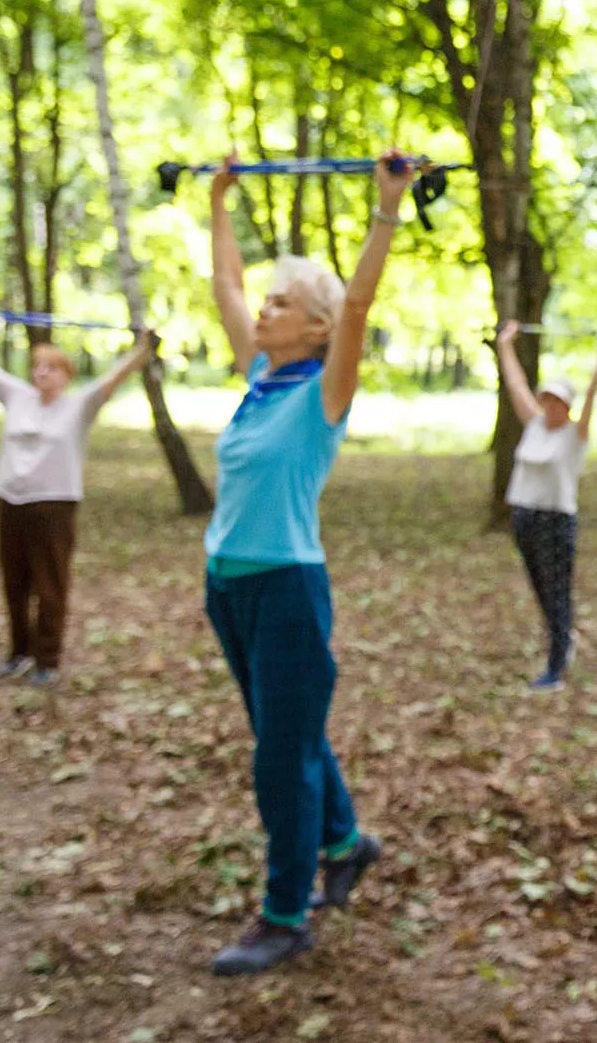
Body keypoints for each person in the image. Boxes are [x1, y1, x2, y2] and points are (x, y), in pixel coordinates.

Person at [198, 151, 412, 976]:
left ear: (317, 329)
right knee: (287, 733)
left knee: (279, 758)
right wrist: (220, 204)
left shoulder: (326, 390)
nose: (263, 307)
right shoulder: (259, 376)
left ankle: (285, 915)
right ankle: (347, 844)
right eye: (268, 298)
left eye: (282, 301)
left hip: (287, 588)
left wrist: (386, 207)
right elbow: (225, 287)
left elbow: (358, 301)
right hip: (229, 586)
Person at [0, 303, 154, 687]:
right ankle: (19, 652)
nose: (42, 373)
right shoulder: (18, 396)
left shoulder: (79, 405)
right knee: (14, 583)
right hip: (11, 501)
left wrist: (143, 348)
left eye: (51, 368)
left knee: (50, 585)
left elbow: (117, 375)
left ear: (67, 375)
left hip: (54, 505)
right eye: (38, 366)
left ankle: (47, 658)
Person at [493, 321, 597, 691]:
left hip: (555, 521)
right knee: (539, 588)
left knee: (557, 592)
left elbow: (593, 392)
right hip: (523, 516)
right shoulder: (534, 425)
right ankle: (563, 641)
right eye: (546, 398)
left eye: (557, 400)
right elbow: (515, 384)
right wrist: (505, 346)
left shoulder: (574, 435)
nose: (550, 405)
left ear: (567, 405)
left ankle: (556, 668)